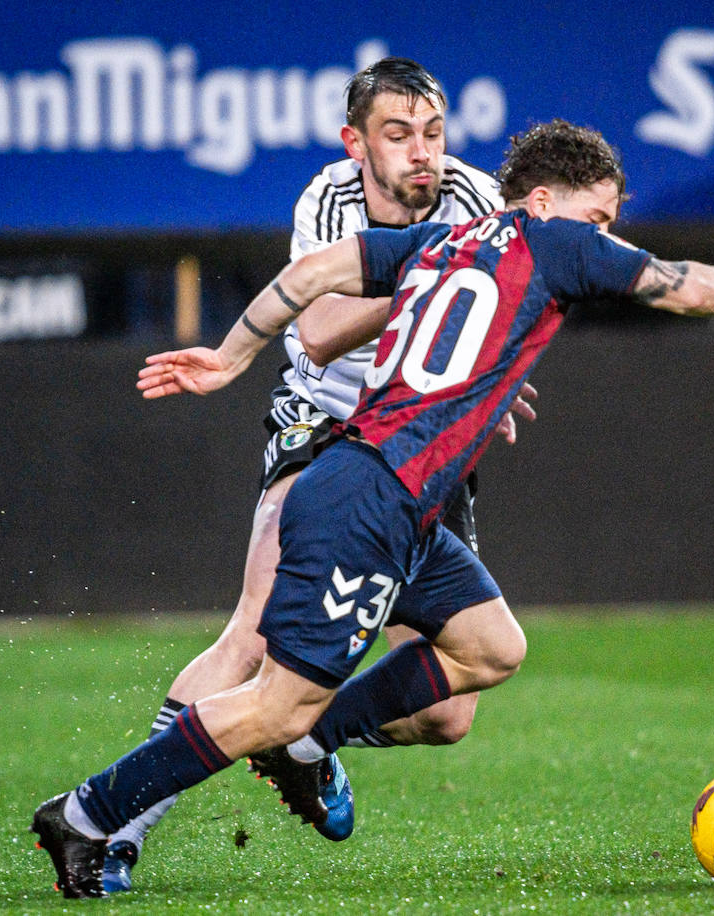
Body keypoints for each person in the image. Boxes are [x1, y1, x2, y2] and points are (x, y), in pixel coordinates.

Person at [30, 118, 714, 898]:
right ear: (541, 201)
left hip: (394, 502)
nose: (603, 239)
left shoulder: (437, 242)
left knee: (491, 647)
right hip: (369, 500)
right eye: (597, 220)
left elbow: (310, 277)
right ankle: (87, 816)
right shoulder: (555, 241)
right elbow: (692, 289)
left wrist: (231, 356)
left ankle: (309, 745)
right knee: (275, 704)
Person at [98, 57, 519, 893]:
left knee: (445, 711)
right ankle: (115, 822)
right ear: (356, 142)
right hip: (325, 426)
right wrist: (440, 289)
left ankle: (304, 741)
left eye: (432, 133)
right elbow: (323, 332)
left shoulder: (478, 199)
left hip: (426, 447)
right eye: (397, 136)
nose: (420, 154)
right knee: (255, 635)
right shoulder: (329, 201)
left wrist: (493, 381)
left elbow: (504, 314)